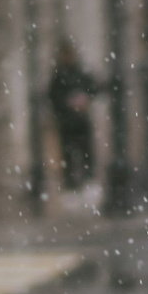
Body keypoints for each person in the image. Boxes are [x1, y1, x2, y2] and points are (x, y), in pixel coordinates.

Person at [48, 38, 101, 188]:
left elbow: (93, 88)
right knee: (69, 155)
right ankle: (72, 184)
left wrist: (84, 99)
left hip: (80, 121)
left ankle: (87, 181)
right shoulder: (59, 75)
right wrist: (68, 103)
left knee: (86, 152)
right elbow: (53, 97)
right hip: (67, 122)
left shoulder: (78, 72)